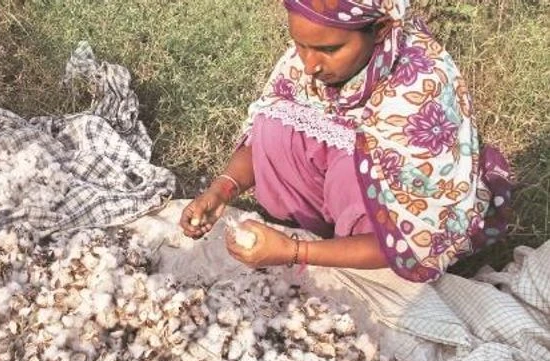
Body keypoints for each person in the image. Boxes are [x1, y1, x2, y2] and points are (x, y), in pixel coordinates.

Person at [179, 0, 512, 282]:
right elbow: (263, 138)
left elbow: (422, 240)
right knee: (275, 122)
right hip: (339, 201)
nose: (309, 65)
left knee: (353, 165)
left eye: (328, 49)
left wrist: (295, 252)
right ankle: (324, 235)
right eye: (300, 44)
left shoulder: (419, 89)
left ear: (380, 29)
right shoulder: (309, 62)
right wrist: (221, 190)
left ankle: (342, 248)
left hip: (395, 238)